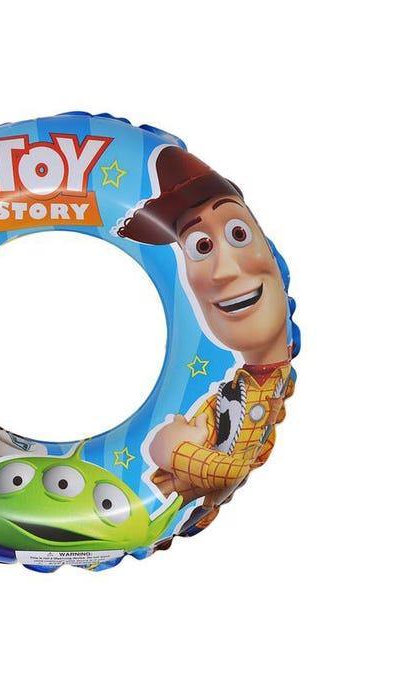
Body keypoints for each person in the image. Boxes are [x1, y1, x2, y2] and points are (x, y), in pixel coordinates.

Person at [119, 146, 295, 536]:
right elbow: (205, 460)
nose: (224, 271)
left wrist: (177, 450)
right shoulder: (231, 394)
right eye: (200, 246)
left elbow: (230, 469)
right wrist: (170, 447)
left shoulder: (244, 392)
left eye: (237, 234)